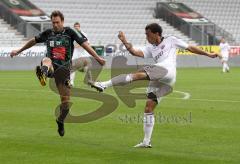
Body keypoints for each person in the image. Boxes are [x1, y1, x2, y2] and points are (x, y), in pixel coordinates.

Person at [90, 23, 218, 148]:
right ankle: (146, 142)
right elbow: (135, 52)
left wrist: (209, 54)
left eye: (148, 34)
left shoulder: (171, 40)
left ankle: (103, 84)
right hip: (162, 81)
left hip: (167, 71)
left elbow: (190, 48)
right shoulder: (151, 47)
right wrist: (124, 41)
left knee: (139, 73)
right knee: (148, 108)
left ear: (156, 33)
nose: (146, 37)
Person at [10, 10, 105, 137]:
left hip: (64, 70)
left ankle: (60, 121)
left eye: (57, 22)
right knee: (46, 60)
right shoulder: (48, 33)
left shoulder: (70, 32)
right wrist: (19, 50)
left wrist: (97, 57)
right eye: (53, 22)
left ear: (62, 22)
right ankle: (43, 72)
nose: (55, 25)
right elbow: (33, 40)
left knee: (65, 104)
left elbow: (85, 44)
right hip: (51, 66)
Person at [70, 22, 92, 86]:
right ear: (74, 28)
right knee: (72, 67)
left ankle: (90, 81)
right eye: (75, 27)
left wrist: (79, 45)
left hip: (83, 53)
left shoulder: (84, 34)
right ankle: (71, 82)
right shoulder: (72, 35)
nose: (76, 28)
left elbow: (87, 44)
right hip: (75, 53)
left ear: (79, 27)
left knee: (87, 67)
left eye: (77, 26)